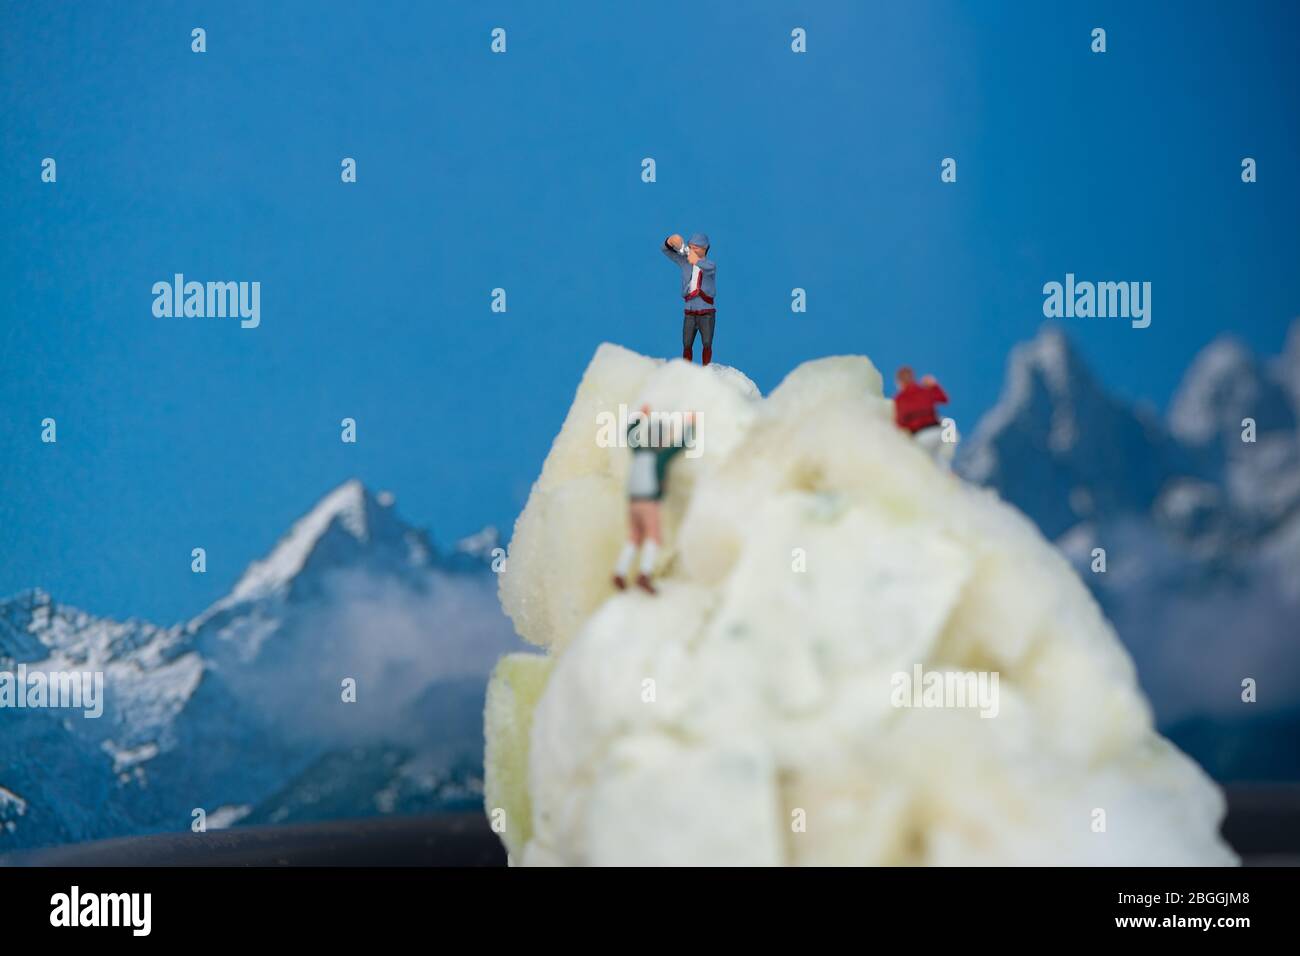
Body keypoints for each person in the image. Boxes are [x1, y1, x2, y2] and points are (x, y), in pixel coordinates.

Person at [613, 407, 696, 594]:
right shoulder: (660, 455)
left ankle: (619, 572)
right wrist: (691, 424)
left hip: (632, 503)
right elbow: (681, 444)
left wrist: (640, 416)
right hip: (648, 503)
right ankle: (645, 575)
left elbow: (629, 434)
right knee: (653, 538)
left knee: (634, 538)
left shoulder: (638, 450)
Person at [662, 232, 716, 365]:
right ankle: (687, 368)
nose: (692, 250)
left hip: (706, 312)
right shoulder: (685, 262)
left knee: (707, 343)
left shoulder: (709, 265)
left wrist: (696, 261)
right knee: (687, 343)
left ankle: (706, 368)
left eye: (696, 248)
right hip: (690, 311)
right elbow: (666, 251)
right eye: (690, 247)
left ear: (705, 248)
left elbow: (710, 267)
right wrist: (670, 241)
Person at [893, 366, 957, 469]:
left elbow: (900, 424)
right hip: (939, 433)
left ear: (899, 382)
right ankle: (949, 475)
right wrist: (934, 385)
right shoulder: (925, 391)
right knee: (939, 460)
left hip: (922, 437)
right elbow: (944, 399)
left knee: (923, 465)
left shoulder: (900, 398)